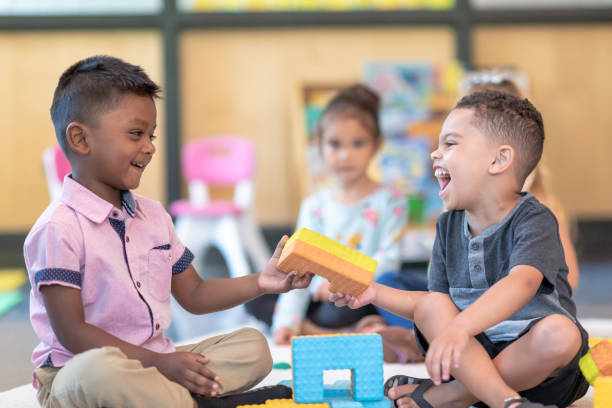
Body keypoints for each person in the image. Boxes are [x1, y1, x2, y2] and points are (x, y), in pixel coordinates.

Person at [24, 55, 313, 408]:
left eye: (150, 135)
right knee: (99, 373)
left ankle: (177, 400)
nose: (149, 146)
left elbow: (195, 292)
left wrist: (262, 283)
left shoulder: (153, 215)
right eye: (135, 134)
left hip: (154, 366)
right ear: (80, 139)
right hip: (80, 373)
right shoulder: (58, 228)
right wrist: (162, 364)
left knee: (253, 347)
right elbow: (73, 333)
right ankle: (203, 402)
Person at [331, 90, 589, 408]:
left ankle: (452, 396)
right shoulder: (447, 225)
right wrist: (372, 293)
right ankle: (506, 401)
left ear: (499, 160)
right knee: (433, 304)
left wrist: (460, 328)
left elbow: (522, 283)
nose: (434, 154)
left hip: (540, 371)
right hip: (468, 356)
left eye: (450, 143)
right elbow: (430, 306)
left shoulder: (535, 218)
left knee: (562, 334)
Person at [272, 84, 426, 364]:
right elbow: (299, 264)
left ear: (376, 145)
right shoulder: (315, 205)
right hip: (322, 300)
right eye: (335, 144)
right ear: (318, 145)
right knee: (265, 292)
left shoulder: (391, 200)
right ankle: (338, 332)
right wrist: (286, 322)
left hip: (361, 295)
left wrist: (340, 282)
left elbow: (388, 260)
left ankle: (342, 331)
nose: (345, 155)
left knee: (382, 296)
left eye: (357, 143)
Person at [460, 70, 580, 290]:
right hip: (465, 303)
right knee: (399, 284)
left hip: (517, 311)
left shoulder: (539, 208)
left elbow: (568, 278)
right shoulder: (458, 211)